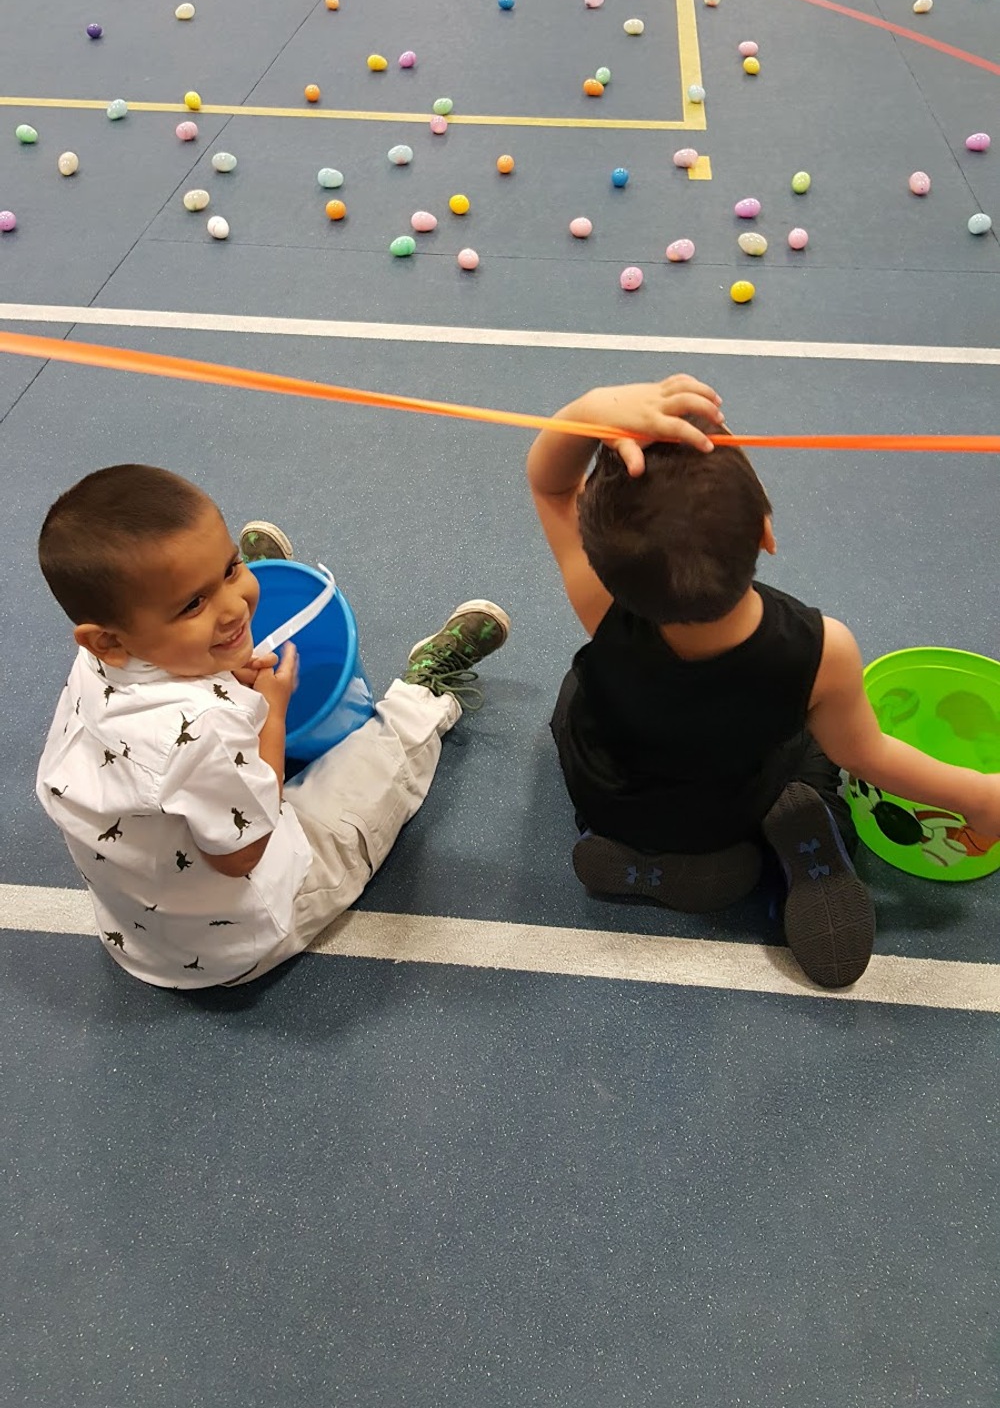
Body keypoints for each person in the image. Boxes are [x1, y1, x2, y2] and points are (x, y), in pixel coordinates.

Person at [527, 375, 1000, 989]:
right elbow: (871, 755)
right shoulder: (822, 650)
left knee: (576, 696)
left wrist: (594, 407)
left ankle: (640, 855)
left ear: (601, 557)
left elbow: (548, 479)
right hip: (731, 808)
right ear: (765, 532)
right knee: (817, 755)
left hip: (614, 791)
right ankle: (808, 856)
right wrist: (981, 799)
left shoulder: (598, 600)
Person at [36, 466, 509, 990]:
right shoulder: (204, 729)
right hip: (243, 934)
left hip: (146, 934)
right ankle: (426, 691)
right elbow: (244, 855)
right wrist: (273, 713)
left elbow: (170, 729)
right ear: (108, 641)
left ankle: (223, 597)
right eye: (193, 601)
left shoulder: (102, 664)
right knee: (371, 780)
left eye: (231, 569)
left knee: (225, 650)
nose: (235, 604)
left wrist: (215, 651)